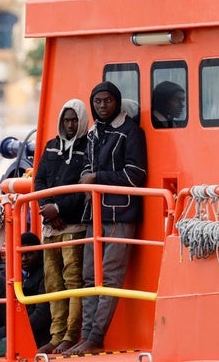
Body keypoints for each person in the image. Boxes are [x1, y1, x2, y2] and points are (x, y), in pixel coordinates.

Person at [64, 81, 147, 355]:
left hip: (121, 214)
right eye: (97, 101)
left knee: (109, 278)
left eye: (107, 101)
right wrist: (88, 178)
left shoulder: (130, 132)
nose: (102, 106)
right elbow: (88, 166)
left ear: (116, 102)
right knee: (89, 278)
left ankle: (97, 336)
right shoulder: (92, 134)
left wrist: (97, 179)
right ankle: (86, 336)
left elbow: (135, 175)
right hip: (94, 215)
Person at [33, 99, 89, 354]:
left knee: (73, 280)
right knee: (53, 282)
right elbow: (40, 180)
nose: (70, 124)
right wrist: (48, 209)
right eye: (66, 120)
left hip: (74, 226)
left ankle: (71, 334)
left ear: (81, 121)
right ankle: (56, 336)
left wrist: (60, 209)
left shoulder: (89, 147)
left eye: (74, 120)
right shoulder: (51, 147)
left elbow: (82, 188)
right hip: (51, 227)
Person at [0, 232, 52, 350]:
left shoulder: (46, 275)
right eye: (21, 255)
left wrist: (12, 329)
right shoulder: (19, 274)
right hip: (20, 330)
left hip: (36, 337)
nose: (24, 259)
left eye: (29, 254)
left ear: (39, 254)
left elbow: (41, 315)